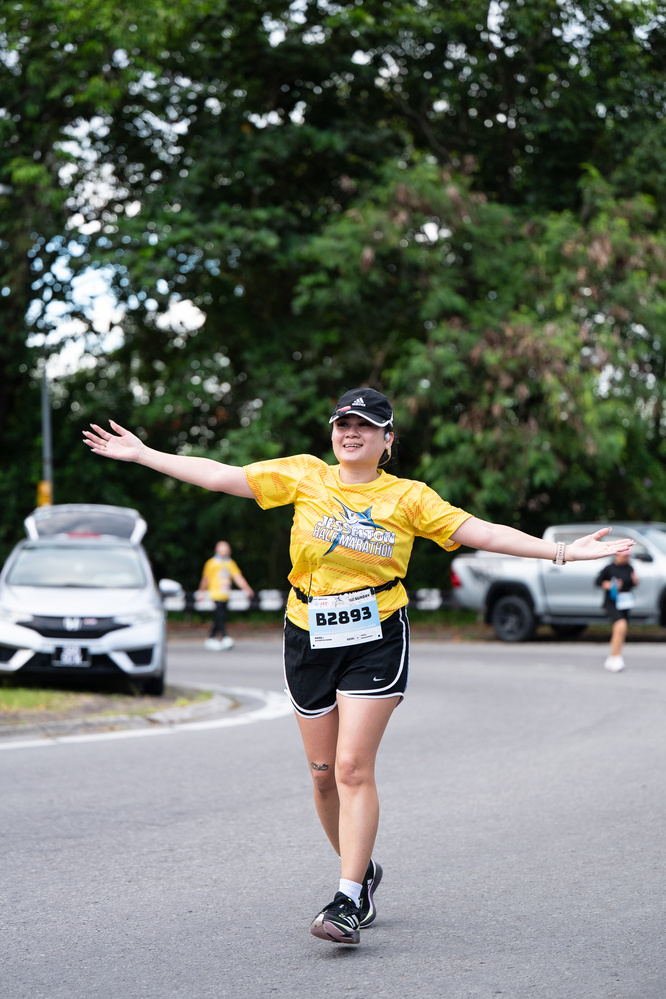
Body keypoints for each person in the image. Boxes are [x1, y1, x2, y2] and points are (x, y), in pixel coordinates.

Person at [83, 387, 634, 946]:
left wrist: (564, 552)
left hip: (376, 634)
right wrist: (146, 455)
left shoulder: (409, 498)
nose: (351, 433)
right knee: (323, 776)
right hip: (307, 633)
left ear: (387, 440)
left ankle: (347, 899)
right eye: (343, 424)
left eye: (366, 426)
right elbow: (222, 475)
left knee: (351, 767)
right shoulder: (305, 476)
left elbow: (484, 533)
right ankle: (362, 870)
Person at [199, 540, 255, 651]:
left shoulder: (230, 563)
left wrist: (247, 588)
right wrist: (201, 591)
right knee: (220, 615)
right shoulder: (211, 563)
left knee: (220, 616)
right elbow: (205, 579)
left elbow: (238, 577)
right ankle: (224, 636)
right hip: (215, 594)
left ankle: (211, 638)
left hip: (225, 594)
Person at [595, 551, 639, 673]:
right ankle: (616, 656)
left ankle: (613, 655)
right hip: (612, 602)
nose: (626, 558)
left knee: (620, 630)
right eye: (624, 556)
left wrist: (635, 581)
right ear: (617, 556)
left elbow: (632, 584)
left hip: (625, 602)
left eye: (627, 556)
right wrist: (609, 585)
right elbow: (598, 581)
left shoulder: (629, 568)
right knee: (621, 625)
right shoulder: (609, 568)